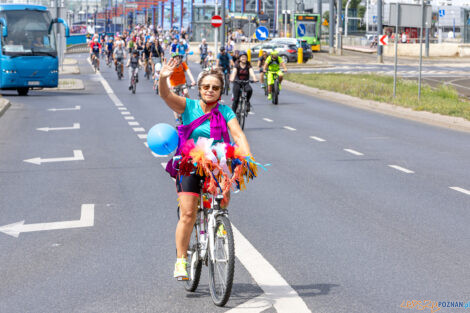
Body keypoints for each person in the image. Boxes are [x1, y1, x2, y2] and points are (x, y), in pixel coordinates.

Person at [158, 60, 251, 280]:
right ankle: (181, 260)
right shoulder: (187, 106)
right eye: (206, 87)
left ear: (221, 91)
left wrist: (247, 158)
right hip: (189, 162)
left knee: (223, 192)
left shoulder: (226, 111)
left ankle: (218, 220)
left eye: (215, 87)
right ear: (199, 89)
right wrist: (163, 78)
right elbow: (166, 96)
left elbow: (237, 135)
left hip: (214, 162)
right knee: (188, 213)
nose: (210, 90)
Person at [168, 52, 196, 125]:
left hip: (182, 83)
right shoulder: (171, 66)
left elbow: (188, 72)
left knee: (186, 92)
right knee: (174, 102)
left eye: (178, 58)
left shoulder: (182, 64)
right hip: (174, 85)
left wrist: (193, 81)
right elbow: (167, 77)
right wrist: (169, 85)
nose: (177, 60)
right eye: (175, 59)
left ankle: (190, 106)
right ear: (173, 60)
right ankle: (177, 118)